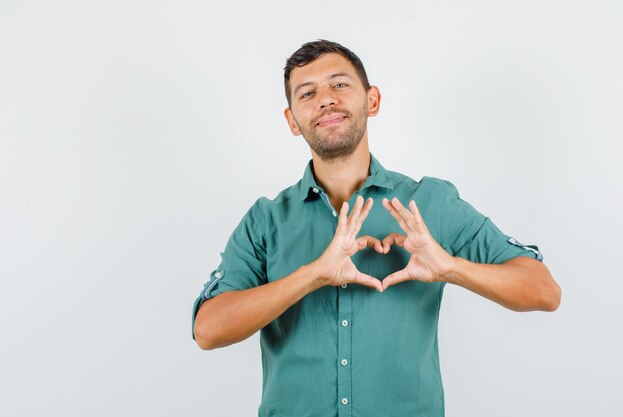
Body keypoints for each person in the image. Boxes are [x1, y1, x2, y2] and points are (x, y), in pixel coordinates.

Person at [192, 39, 561, 417]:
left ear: (372, 100)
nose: (325, 100)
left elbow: (544, 291)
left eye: (339, 84)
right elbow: (208, 329)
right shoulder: (265, 220)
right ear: (292, 121)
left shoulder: (428, 203)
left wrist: (450, 267)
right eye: (308, 92)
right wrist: (314, 274)